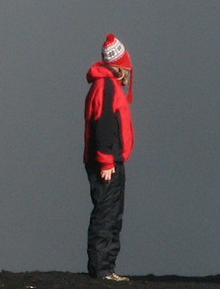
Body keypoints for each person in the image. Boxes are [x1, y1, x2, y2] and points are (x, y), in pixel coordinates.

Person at [84, 33, 135, 281]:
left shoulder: (106, 86)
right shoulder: (106, 87)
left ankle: (105, 267)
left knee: (111, 213)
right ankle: (103, 270)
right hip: (107, 163)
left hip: (110, 161)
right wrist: (106, 161)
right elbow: (103, 125)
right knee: (107, 213)